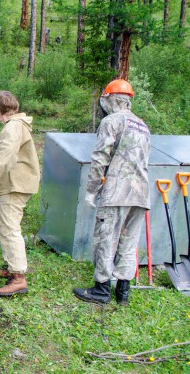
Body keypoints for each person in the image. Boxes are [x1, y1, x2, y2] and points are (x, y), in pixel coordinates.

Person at [73, 79, 150, 306]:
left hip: (117, 191)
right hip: (141, 193)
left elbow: (100, 157)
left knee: (106, 238)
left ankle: (102, 289)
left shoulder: (112, 121)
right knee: (129, 241)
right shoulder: (142, 125)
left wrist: (91, 190)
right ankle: (123, 293)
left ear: (110, 99)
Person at [0, 91, 40, 297]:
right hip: (14, 182)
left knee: (9, 229)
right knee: (5, 227)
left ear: (0, 109)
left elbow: (6, 154)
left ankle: (18, 279)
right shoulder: (16, 124)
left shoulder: (14, 127)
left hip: (14, 184)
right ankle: (12, 267)